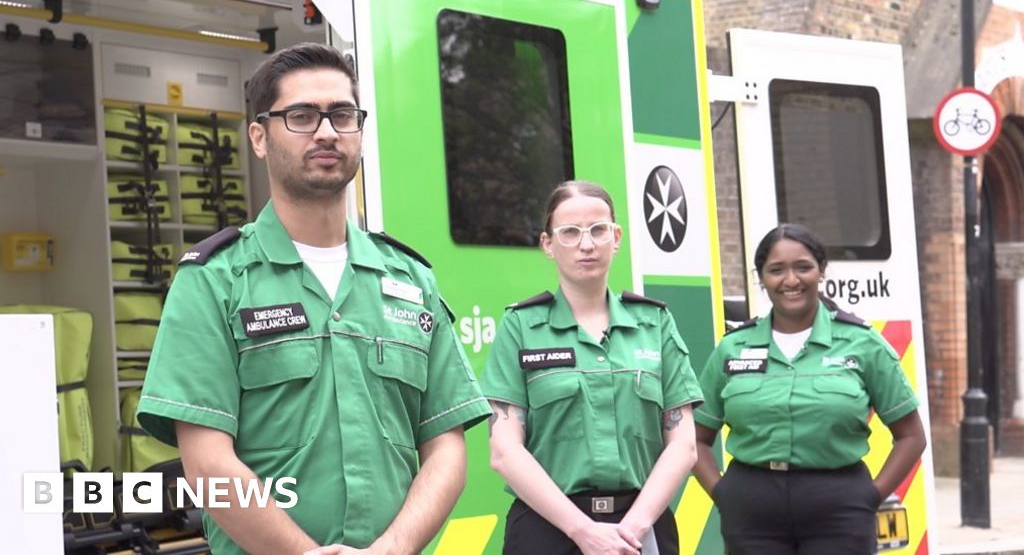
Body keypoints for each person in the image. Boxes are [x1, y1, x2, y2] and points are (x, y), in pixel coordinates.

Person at [136, 42, 492, 555]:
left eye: (342, 115)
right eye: (301, 115)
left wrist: (390, 550)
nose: (326, 131)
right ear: (259, 137)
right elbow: (207, 462)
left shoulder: (412, 280)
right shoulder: (216, 281)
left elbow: (447, 446)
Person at [483, 180, 703, 555]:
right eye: (569, 232)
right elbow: (504, 451)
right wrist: (583, 531)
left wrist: (633, 527)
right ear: (547, 244)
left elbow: (683, 445)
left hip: (640, 528)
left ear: (616, 237)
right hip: (547, 529)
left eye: (598, 230)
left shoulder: (655, 324)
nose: (586, 244)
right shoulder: (521, 327)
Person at [692, 223, 927, 555]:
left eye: (803, 267)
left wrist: (870, 496)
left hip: (839, 508)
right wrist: (723, 493)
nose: (791, 280)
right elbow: (695, 438)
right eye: (776, 270)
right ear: (762, 278)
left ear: (821, 272)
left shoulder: (862, 343)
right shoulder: (733, 347)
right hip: (752, 510)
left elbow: (911, 436)